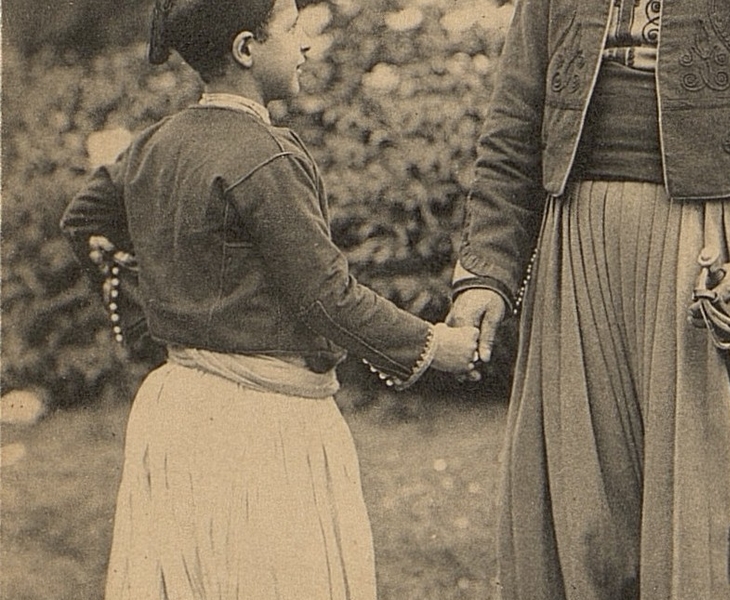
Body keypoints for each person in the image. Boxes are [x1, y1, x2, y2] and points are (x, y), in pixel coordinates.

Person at [60, 1, 479, 598]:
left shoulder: (154, 142)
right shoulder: (267, 156)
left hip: (179, 406)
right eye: (292, 29)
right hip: (263, 426)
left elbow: (84, 222)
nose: (307, 44)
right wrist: (438, 347)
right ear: (246, 50)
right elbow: (328, 300)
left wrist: (156, 298)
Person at [448, 0, 730, 598]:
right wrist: (487, 272)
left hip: (712, 260)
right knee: (581, 520)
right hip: (578, 249)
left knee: (710, 529)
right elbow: (513, 128)